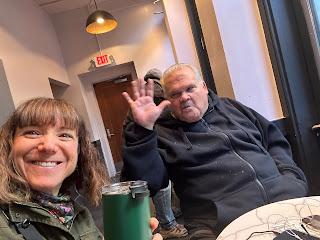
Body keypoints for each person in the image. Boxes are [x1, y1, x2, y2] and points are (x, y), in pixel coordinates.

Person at [121, 63, 308, 239]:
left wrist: (290, 175)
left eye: (189, 88)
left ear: (203, 87)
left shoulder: (232, 108)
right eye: (175, 94)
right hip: (220, 225)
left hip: (287, 201)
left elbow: (273, 139)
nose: (184, 97)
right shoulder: (163, 133)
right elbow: (146, 183)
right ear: (168, 101)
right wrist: (143, 131)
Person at [0, 97, 161, 240]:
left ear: (79, 151)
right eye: (32, 132)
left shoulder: (75, 215)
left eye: (64, 135)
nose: (48, 146)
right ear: (10, 144)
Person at [122, 69, 188, 239]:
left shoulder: (147, 91)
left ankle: (153, 221)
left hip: (136, 143)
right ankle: (167, 224)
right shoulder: (158, 88)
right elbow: (166, 112)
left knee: (143, 189)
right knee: (160, 185)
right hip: (150, 141)